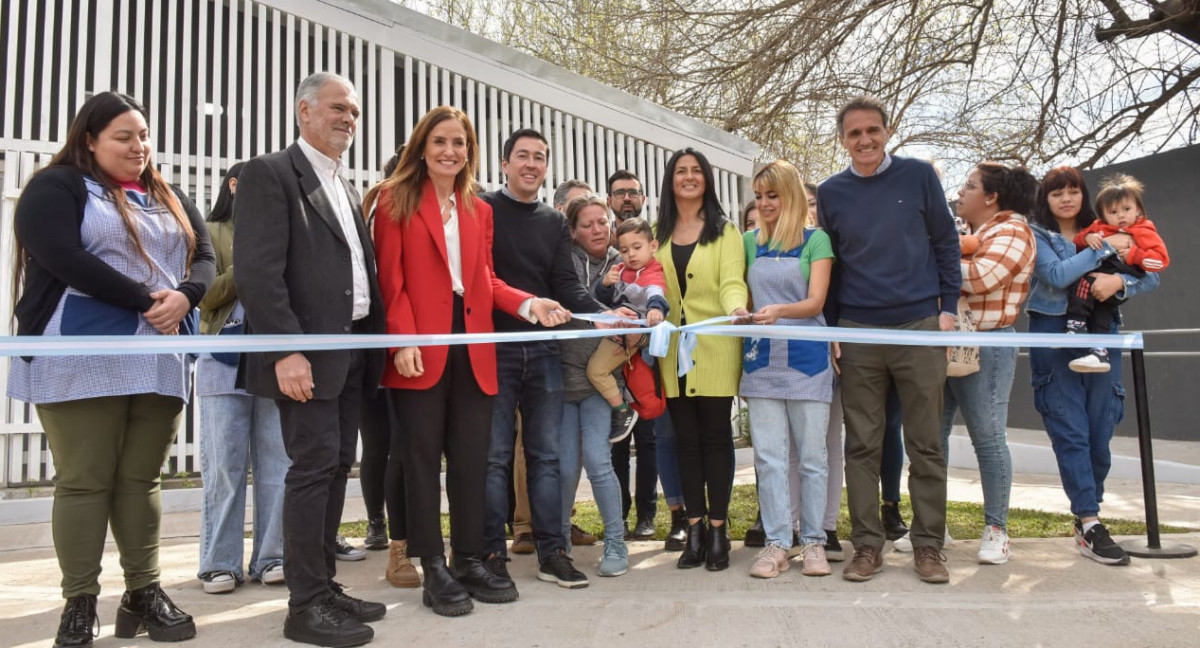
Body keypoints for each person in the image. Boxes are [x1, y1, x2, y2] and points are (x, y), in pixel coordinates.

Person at [9, 91, 213, 646]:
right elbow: (61, 255)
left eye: (144, 136)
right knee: (85, 479)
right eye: (124, 136)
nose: (139, 146)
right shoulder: (57, 188)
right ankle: (79, 602)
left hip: (159, 355)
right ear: (89, 140)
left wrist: (188, 295)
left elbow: (205, 254)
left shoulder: (164, 193)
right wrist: (147, 299)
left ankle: (142, 593)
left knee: (141, 477)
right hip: (83, 352)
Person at [373, 106, 570, 616]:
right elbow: (389, 283)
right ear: (422, 146)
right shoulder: (395, 199)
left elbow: (484, 280)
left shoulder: (477, 209)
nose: (450, 151)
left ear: (470, 151)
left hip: (475, 347)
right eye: (440, 141)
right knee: (420, 460)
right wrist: (403, 341)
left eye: (459, 143)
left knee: (471, 460)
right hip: (420, 349)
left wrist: (529, 304)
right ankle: (432, 563)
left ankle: (466, 558)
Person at [234, 72, 386, 647]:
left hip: (350, 354)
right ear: (304, 111)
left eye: (354, 111)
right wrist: (287, 350)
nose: (349, 118)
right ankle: (304, 605)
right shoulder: (271, 174)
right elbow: (258, 273)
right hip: (306, 354)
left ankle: (324, 585)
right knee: (312, 469)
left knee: (334, 467)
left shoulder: (344, 186)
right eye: (338, 108)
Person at [817, 95, 960, 585]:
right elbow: (829, 265)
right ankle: (866, 546)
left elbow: (945, 242)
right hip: (857, 331)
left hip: (919, 325)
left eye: (872, 130)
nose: (864, 140)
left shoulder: (920, 176)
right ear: (843, 140)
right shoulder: (831, 193)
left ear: (887, 131)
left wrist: (947, 308)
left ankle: (928, 547)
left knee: (925, 443)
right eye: (854, 133)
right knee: (861, 445)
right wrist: (833, 329)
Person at [481, 129, 619, 592]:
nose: (531, 164)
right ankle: (491, 557)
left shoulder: (555, 222)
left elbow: (566, 285)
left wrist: (603, 315)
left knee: (547, 458)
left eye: (540, 157)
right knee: (496, 458)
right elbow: (484, 279)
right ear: (505, 163)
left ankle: (552, 552)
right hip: (495, 348)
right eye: (523, 156)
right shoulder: (483, 209)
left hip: (543, 352)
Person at [1027, 166, 1158, 566]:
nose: (1066, 199)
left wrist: (1120, 283)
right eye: (1056, 193)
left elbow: (1151, 274)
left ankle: (1089, 515)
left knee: (1101, 429)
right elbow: (1055, 275)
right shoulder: (1040, 234)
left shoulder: (1114, 223)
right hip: (1053, 333)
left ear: (1083, 194)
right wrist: (1103, 250)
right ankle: (1090, 519)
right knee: (1071, 430)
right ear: (1045, 200)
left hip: (1104, 334)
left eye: (1072, 191)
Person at [654, 147, 750, 571]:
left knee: (715, 438)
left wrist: (735, 310)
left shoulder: (724, 231)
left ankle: (717, 530)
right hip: (672, 351)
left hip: (714, 347)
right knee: (683, 442)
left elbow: (732, 281)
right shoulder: (658, 233)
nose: (689, 177)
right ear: (671, 180)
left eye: (696, 171)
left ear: (707, 179)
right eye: (681, 171)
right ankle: (692, 528)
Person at [195, 162, 289, 594]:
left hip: (275, 360)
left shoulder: (285, 232)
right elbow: (205, 294)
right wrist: (250, 262)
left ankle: (273, 556)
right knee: (225, 467)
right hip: (222, 358)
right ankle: (219, 562)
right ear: (234, 185)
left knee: (277, 465)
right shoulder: (208, 232)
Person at [740, 160, 835, 579]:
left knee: (812, 457)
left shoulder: (817, 241)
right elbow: (739, 292)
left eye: (772, 195)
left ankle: (813, 540)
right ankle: (778, 542)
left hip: (808, 361)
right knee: (769, 457)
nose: (764, 204)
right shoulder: (747, 242)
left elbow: (815, 303)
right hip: (760, 361)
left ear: (792, 195)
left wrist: (779, 310)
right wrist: (740, 311)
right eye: (759, 196)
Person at [940, 162, 1037, 566]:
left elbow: (979, 278)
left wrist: (926, 262)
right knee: (931, 438)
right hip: (949, 340)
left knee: (989, 438)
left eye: (970, 185)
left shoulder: (1013, 231)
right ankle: (931, 528)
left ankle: (996, 530)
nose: (961, 193)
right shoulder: (975, 234)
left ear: (992, 197)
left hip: (989, 344)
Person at [556, 193, 633, 576]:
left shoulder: (623, 262)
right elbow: (566, 306)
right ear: (572, 231)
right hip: (563, 378)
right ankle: (560, 544)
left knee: (600, 463)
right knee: (567, 467)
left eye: (602, 222)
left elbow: (633, 306)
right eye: (587, 224)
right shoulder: (563, 262)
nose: (597, 230)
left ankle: (616, 543)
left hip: (600, 383)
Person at [360, 148, 418, 587]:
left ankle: (414, 534)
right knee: (381, 443)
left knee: (404, 443)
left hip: (413, 341)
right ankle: (383, 527)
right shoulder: (379, 204)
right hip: (376, 344)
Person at [605, 169, 665, 542]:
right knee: (616, 444)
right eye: (619, 193)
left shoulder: (651, 251)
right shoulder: (610, 256)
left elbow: (659, 290)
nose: (626, 198)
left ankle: (647, 516)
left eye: (633, 192)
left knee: (648, 439)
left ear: (643, 199)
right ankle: (618, 517)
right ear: (610, 200)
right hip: (611, 360)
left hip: (645, 359)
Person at [1065, 173, 1169, 372]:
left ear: (1138, 209)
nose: (1120, 216)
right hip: (1102, 276)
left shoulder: (1143, 231)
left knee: (1087, 284)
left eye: (1126, 209)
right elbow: (1077, 241)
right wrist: (1088, 238)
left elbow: (1160, 261)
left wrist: (1134, 254)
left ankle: (1076, 325)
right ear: (1103, 215)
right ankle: (1098, 352)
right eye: (1113, 212)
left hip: (1125, 272)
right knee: (1100, 310)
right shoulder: (1100, 227)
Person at [592, 217, 668, 442]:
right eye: (624, 250)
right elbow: (606, 299)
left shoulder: (652, 273)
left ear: (653, 246)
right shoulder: (622, 269)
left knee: (595, 371)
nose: (631, 254)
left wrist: (655, 310)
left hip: (629, 336)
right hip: (618, 331)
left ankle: (622, 410)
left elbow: (656, 293)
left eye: (637, 247)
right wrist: (605, 284)